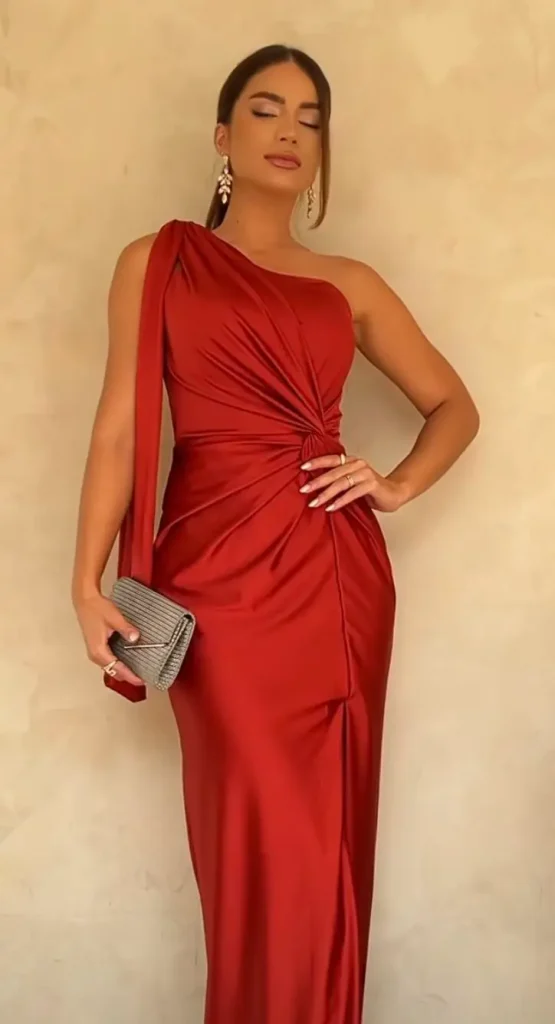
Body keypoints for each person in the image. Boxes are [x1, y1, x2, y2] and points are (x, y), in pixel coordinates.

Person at [71, 43, 479, 1024]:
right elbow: (122, 429)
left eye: (310, 117)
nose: (290, 131)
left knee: (318, 841)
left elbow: (454, 407)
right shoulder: (158, 261)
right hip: (210, 593)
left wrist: (394, 484)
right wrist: (85, 583)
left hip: (331, 582)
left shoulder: (349, 282)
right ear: (222, 135)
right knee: (246, 841)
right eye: (266, 109)